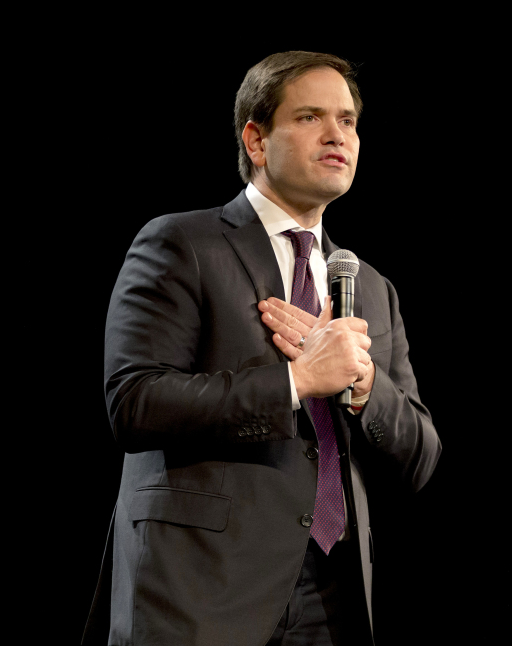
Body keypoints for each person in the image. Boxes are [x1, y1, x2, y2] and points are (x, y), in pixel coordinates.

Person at [84, 51, 441, 645]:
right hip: (201, 591)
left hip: (333, 599)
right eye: (310, 117)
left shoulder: (370, 288)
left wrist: (362, 382)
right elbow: (135, 404)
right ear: (256, 139)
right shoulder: (183, 243)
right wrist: (298, 381)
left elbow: (422, 456)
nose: (337, 136)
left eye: (349, 121)